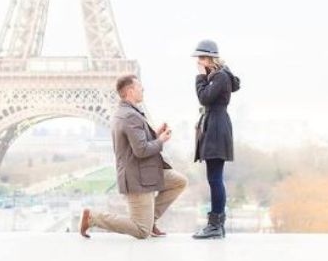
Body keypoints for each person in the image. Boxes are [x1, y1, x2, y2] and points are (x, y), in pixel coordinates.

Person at [79, 74, 188, 239]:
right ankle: (92, 217)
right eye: (139, 87)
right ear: (130, 91)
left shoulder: (126, 112)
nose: (142, 90)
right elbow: (141, 150)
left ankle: (151, 220)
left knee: (179, 181)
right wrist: (161, 140)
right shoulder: (130, 115)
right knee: (141, 231)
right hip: (138, 177)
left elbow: (136, 144)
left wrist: (156, 134)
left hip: (146, 172)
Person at [192, 39, 240, 239]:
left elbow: (204, 98)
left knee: (215, 179)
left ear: (211, 58)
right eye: (198, 58)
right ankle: (217, 225)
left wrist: (200, 78)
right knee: (214, 179)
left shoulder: (219, 77)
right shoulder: (219, 75)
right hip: (216, 126)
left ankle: (215, 225)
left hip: (216, 129)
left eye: (202, 58)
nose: (199, 62)